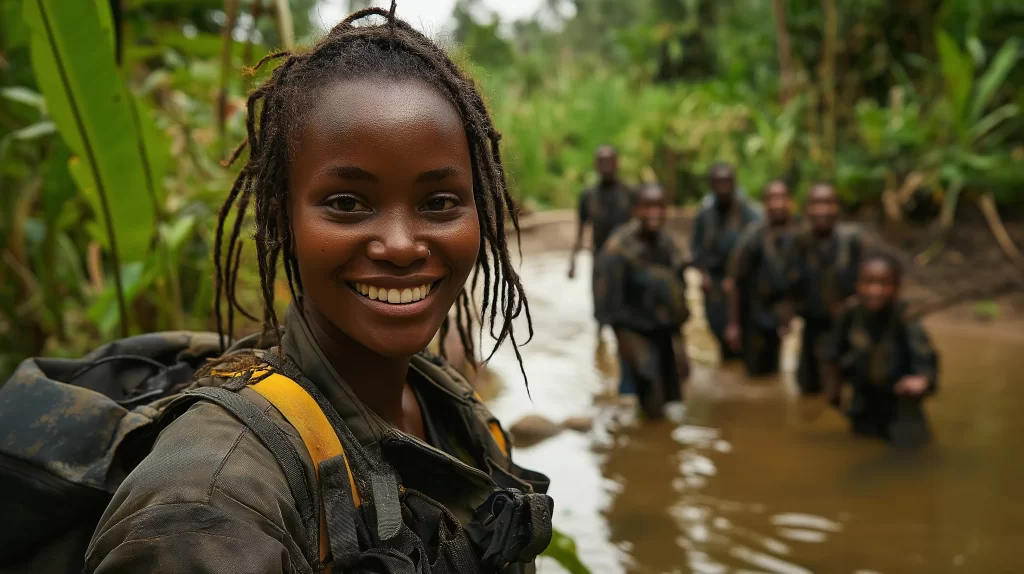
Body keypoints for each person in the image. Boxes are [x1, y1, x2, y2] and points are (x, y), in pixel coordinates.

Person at [85, 6, 551, 573]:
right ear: (281, 222)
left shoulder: (453, 409)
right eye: (347, 204)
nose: (402, 244)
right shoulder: (210, 502)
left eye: (439, 203)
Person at [593, 183, 690, 419]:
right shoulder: (619, 249)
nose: (654, 213)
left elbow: (678, 296)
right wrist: (630, 354)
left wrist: (681, 348)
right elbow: (608, 308)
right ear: (636, 210)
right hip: (634, 332)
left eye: (659, 207)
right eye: (648, 207)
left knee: (673, 399)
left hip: (664, 330)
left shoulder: (669, 244)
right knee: (649, 392)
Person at [827, 252, 938, 446]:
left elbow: (925, 357)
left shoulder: (905, 317)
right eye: (868, 282)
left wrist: (922, 379)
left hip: (900, 405)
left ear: (896, 287)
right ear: (858, 284)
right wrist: (834, 389)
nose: (875, 290)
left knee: (908, 457)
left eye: (884, 284)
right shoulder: (850, 314)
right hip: (864, 402)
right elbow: (833, 353)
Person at [785, 182, 868, 396]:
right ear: (807, 209)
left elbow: (878, 278)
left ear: (837, 208)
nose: (822, 210)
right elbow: (790, 282)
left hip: (849, 326)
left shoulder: (853, 240)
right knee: (807, 387)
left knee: (850, 385)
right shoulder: (799, 241)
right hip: (812, 324)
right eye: (816, 204)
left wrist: (853, 304)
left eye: (828, 203)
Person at [690, 162, 760, 360]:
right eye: (718, 182)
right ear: (711, 185)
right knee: (719, 330)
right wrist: (702, 276)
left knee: (746, 333)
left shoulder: (750, 213)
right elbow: (697, 252)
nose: (723, 186)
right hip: (715, 282)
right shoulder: (705, 214)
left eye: (727, 181)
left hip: (743, 283)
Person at [724, 180, 794, 376]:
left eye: (781, 198)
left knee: (777, 371)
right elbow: (733, 282)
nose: (777, 203)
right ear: (765, 203)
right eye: (772, 198)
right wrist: (733, 324)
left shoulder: (799, 233)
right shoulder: (753, 236)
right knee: (756, 373)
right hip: (755, 312)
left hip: (782, 312)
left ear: (789, 201)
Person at [568, 145, 637, 341]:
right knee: (599, 303)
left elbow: (640, 225)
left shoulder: (630, 192)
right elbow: (581, 229)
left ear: (617, 163)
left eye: (610, 162)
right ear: (596, 165)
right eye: (602, 162)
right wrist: (573, 262)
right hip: (599, 256)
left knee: (626, 302)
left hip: (627, 258)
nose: (607, 167)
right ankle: (600, 342)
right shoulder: (588, 195)